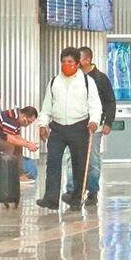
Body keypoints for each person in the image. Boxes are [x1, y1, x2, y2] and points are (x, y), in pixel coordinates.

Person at [36, 47, 103, 212]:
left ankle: (76, 198)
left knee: (79, 165)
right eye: (64, 61)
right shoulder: (54, 82)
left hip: (79, 126)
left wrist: (94, 121)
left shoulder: (87, 82)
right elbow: (46, 107)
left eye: (70, 62)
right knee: (53, 162)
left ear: (77, 63)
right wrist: (43, 124)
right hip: (57, 128)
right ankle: (51, 199)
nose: (66, 64)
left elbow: (96, 105)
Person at [63, 46, 118, 206]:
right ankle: (72, 189)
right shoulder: (72, 77)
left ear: (87, 60)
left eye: (77, 59)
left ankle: (92, 191)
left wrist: (108, 122)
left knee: (92, 159)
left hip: (95, 125)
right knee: (71, 158)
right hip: (74, 125)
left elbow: (110, 101)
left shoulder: (100, 78)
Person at [0, 106, 40, 181]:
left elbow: (16, 137)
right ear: (24, 116)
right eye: (29, 122)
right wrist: (27, 144)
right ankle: (6, 175)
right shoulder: (10, 117)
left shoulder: (17, 118)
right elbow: (9, 138)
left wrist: (28, 143)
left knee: (19, 146)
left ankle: (18, 174)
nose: (27, 125)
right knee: (10, 147)